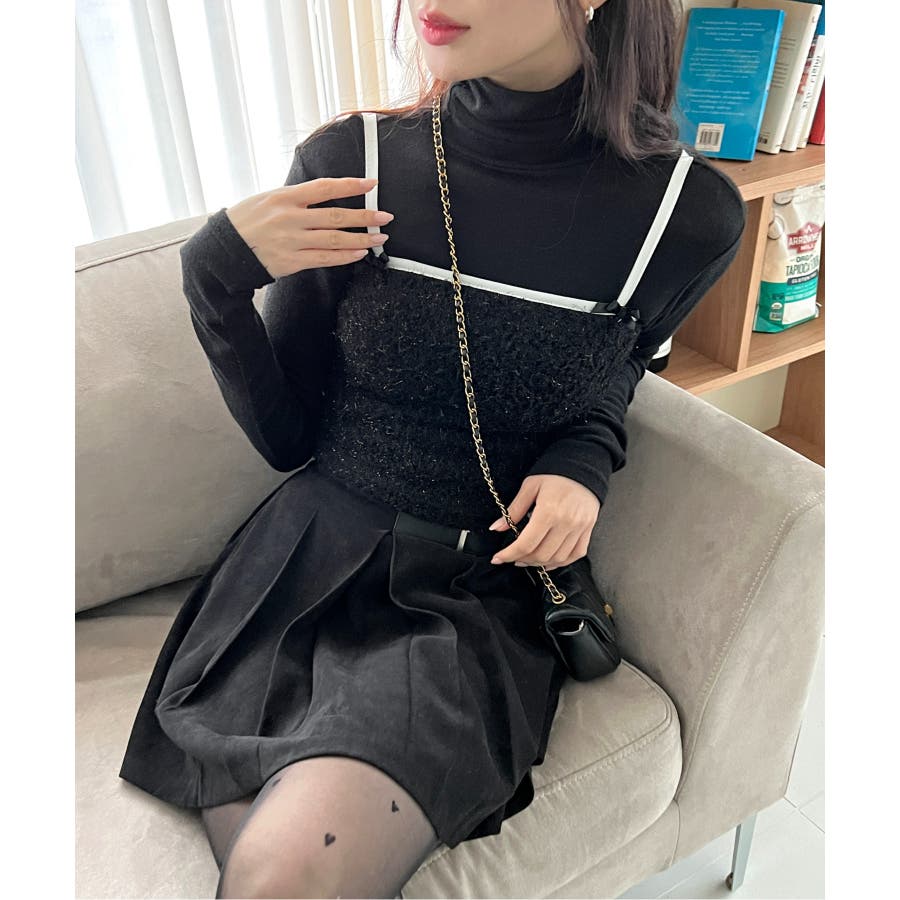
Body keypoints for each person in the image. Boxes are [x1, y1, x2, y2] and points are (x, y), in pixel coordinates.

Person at [118, 1, 747, 897]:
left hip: (465, 599)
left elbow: (619, 365)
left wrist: (586, 460)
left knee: (287, 871)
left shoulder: (686, 216)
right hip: (301, 567)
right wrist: (212, 279)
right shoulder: (354, 165)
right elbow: (289, 438)